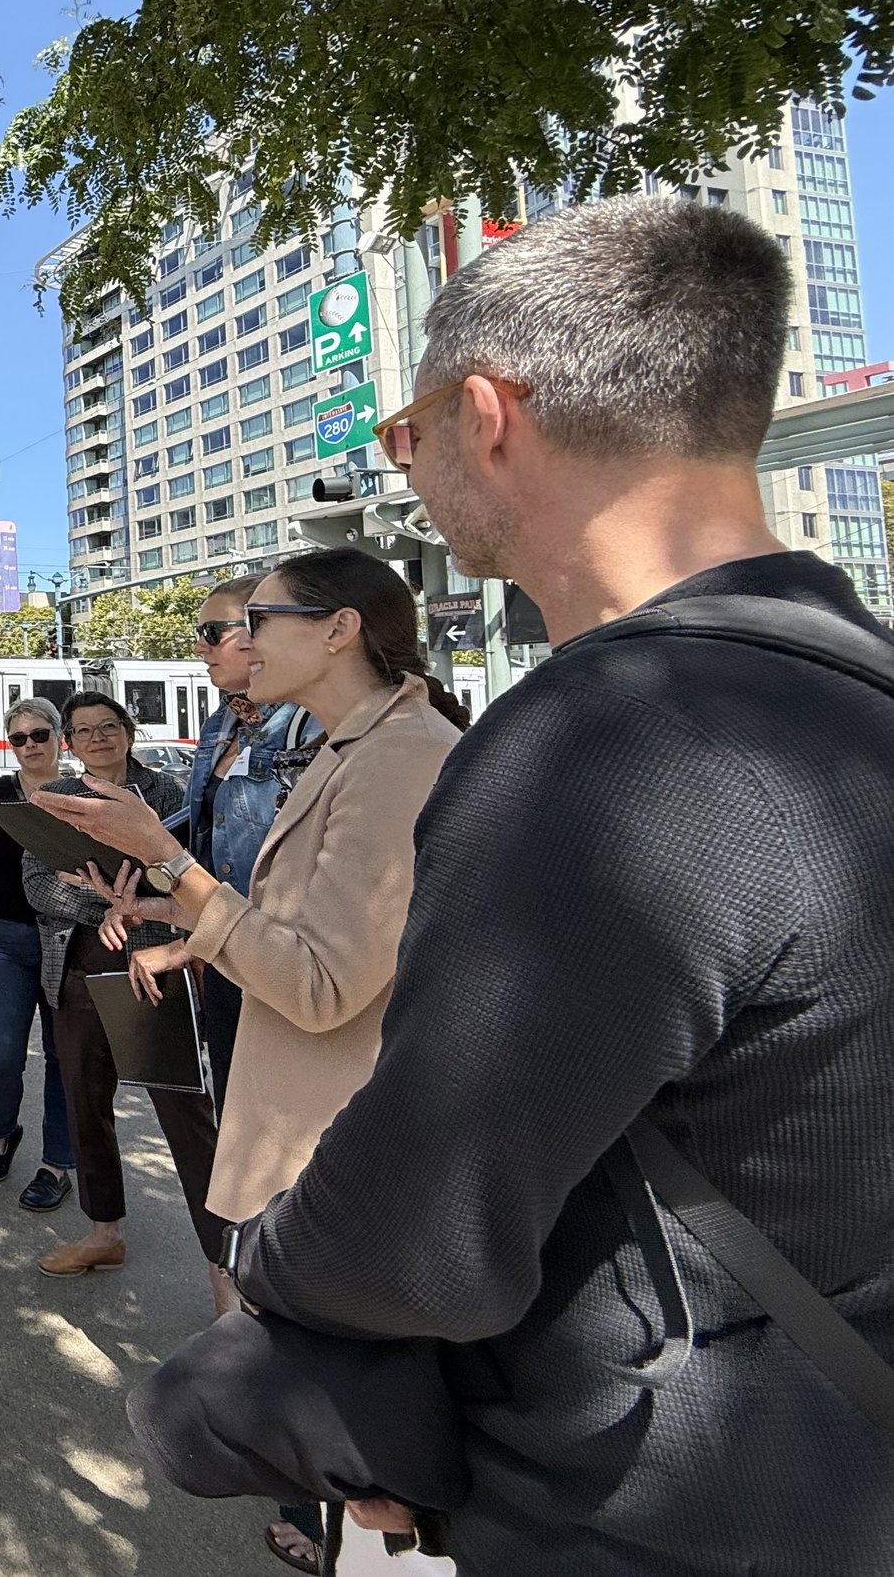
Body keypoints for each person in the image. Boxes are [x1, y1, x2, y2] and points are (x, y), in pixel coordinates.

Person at [176, 197, 894, 1571]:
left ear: (489, 412)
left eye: (408, 430)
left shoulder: (601, 739)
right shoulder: (852, 689)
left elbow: (420, 1227)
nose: (409, 463)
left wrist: (257, 1278)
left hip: (656, 1509)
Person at [53, 557, 466, 1574]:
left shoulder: (397, 754)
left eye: (255, 621)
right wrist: (176, 908)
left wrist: (173, 863)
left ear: (336, 631)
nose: (233, 643)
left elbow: (323, 979)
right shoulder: (342, 746)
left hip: (343, 1164)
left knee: (376, 1500)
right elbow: (286, 916)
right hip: (309, 1143)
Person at [14, 692, 218, 1284]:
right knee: (86, 1101)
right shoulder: (54, 802)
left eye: (110, 726)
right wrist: (100, 903)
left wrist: (134, 908)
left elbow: (196, 878)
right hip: (79, 970)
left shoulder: (168, 796)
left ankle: (224, 1265)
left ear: (128, 733)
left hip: (154, 965)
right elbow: (36, 885)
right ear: (70, 744)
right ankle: (104, 1232)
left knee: (184, 1111)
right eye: (84, 730)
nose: (99, 737)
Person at [173, 578, 321, 1103]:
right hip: (224, 947)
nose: (200, 647)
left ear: (262, 635)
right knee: (235, 1106)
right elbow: (201, 832)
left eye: (213, 632)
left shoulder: (312, 725)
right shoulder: (221, 723)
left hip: (283, 955)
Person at [0, 697, 76, 1212]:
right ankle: (0, 1135)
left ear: (58, 737)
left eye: (39, 735)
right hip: (3, 941)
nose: (29, 746)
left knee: (63, 1056)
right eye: (19, 738)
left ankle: (58, 1163)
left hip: (70, 940)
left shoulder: (83, 795)